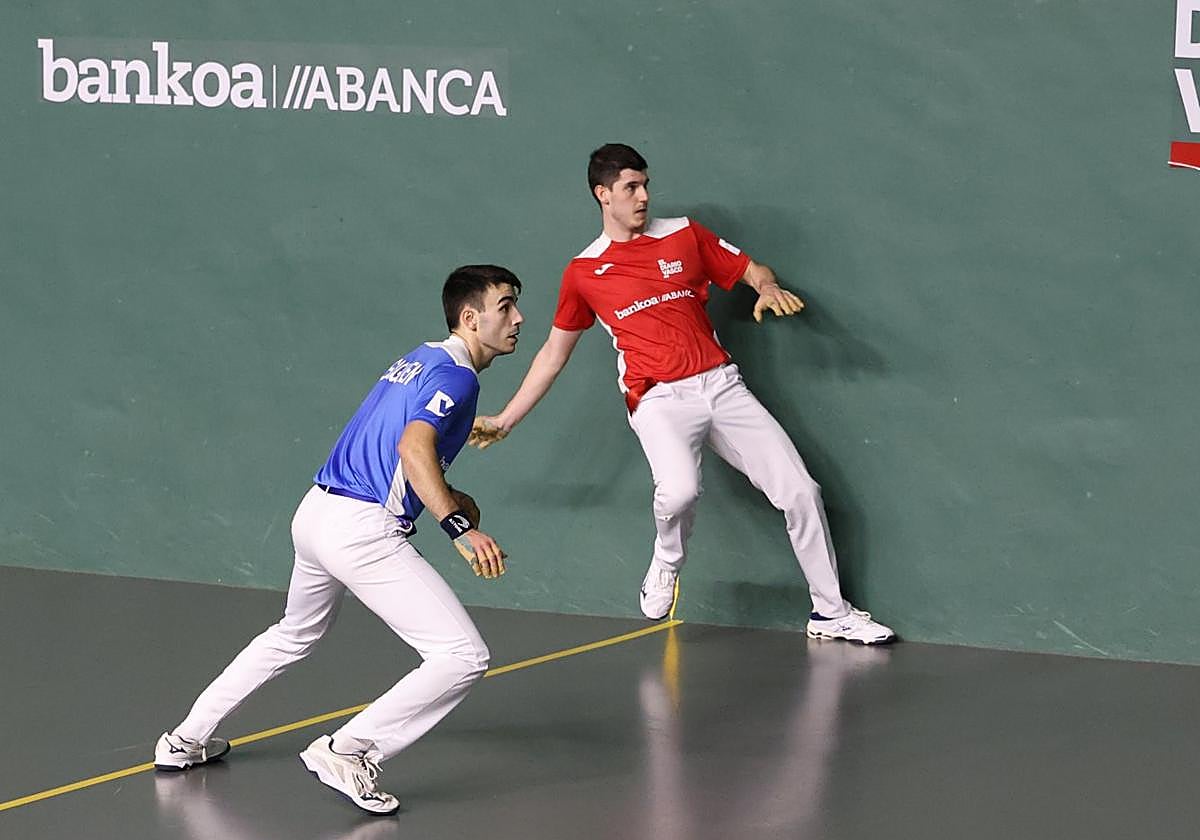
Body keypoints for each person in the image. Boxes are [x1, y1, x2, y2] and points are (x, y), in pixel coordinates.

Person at [470, 144, 893, 645]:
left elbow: (751, 269)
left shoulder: (685, 234)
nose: (644, 195)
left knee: (802, 491)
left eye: (645, 184)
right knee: (680, 491)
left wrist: (765, 287)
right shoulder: (585, 272)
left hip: (722, 385)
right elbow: (552, 353)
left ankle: (829, 612)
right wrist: (505, 419)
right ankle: (667, 562)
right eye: (631, 187)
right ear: (602, 194)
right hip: (658, 400)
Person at [153, 265, 525, 814]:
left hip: (316, 513)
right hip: (361, 530)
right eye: (506, 306)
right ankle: (348, 750)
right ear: (471, 318)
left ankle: (184, 739)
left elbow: (397, 445)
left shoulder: (419, 358)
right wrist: (458, 526)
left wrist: (451, 494)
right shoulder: (460, 378)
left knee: (293, 633)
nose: (518, 319)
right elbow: (412, 450)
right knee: (461, 655)